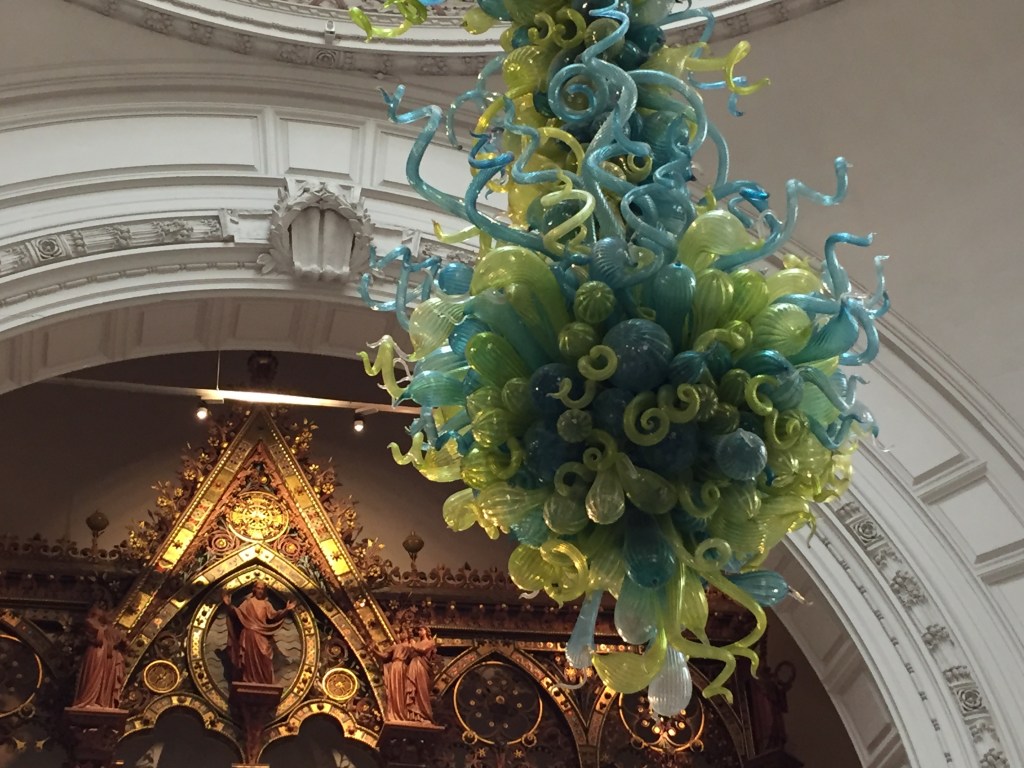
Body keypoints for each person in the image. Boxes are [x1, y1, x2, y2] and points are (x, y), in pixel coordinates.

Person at [222, 579, 295, 685]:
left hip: (261, 634)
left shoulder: (266, 604)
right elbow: (236, 613)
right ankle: (248, 680)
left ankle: (265, 682)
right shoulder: (248, 603)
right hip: (248, 634)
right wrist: (228, 605)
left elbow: (275, 615)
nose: (260, 591)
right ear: (254, 589)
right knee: (248, 659)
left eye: (262, 589)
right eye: (258, 588)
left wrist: (286, 610)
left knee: (265, 655)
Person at [72, 601, 126, 709]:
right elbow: (97, 635)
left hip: (107, 655)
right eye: (100, 609)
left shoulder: (106, 627)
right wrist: (106, 630)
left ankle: (103, 701)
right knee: (93, 675)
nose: (104, 613)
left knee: (105, 678)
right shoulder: (91, 622)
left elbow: (120, 638)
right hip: (96, 652)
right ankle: (89, 700)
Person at [372, 627, 414, 722]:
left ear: (408, 634)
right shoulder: (397, 646)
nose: (400, 634)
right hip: (396, 667)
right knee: (394, 690)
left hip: (401, 667)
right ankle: (395, 712)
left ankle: (402, 713)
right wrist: (374, 650)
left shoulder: (409, 646)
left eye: (403, 632)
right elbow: (385, 656)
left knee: (400, 689)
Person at [405, 626, 437, 723]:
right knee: (412, 688)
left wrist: (413, 645)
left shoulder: (431, 642)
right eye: (418, 631)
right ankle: (414, 715)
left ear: (426, 631)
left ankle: (424, 714)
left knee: (421, 690)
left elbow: (423, 649)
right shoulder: (417, 643)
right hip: (414, 664)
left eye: (421, 630)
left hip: (421, 666)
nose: (419, 632)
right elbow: (410, 656)